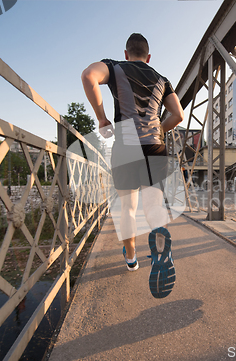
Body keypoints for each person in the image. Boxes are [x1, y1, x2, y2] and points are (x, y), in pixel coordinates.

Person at [81, 33, 184, 298]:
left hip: (126, 145)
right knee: (153, 205)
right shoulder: (162, 79)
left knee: (128, 207)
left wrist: (102, 119)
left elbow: (88, 76)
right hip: (155, 145)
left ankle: (131, 257)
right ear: (149, 57)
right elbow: (179, 115)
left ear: (127, 53)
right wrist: (159, 128)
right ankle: (161, 250)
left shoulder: (115, 67)